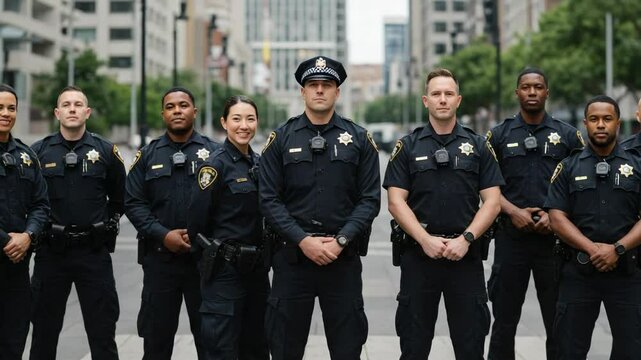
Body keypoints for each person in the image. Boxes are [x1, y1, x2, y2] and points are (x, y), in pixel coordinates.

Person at [259, 55, 380, 360]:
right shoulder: (281, 139)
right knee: (285, 348)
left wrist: (341, 241)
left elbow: (369, 199)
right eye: (313, 85)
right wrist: (303, 241)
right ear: (302, 91)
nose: (320, 91)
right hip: (292, 261)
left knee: (347, 348)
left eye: (327, 85)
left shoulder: (358, 138)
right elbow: (269, 199)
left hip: (342, 260)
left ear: (338, 92)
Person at [384, 68, 503, 359]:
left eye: (448, 94)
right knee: (414, 345)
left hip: (466, 258)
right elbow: (396, 201)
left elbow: (493, 201)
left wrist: (466, 239)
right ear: (425, 100)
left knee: (470, 344)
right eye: (436, 94)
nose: (442, 99)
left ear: (458, 100)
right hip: (419, 258)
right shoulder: (408, 146)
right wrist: (425, 239)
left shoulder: (477, 146)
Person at [486, 68, 584, 360]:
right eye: (526, 87)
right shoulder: (499, 135)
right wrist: (513, 211)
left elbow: (582, 185)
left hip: (554, 245)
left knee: (558, 322)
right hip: (510, 239)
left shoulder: (567, 136)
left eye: (538, 87)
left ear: (546, 92)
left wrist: (556, 218)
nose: (532, 92)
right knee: (504, 321)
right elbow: (485, 186)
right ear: (516, 93)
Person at [29, 86, 125, 360]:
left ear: (87, 112)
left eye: (78, 104)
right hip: (51, 253)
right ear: (57, 112)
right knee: (43, 333)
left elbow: (120, 197)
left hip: (93, 253)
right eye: (66, 104)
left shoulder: (106, 151)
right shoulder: (39, 153)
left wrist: (106, 224)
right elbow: (31, 199)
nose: (72, 109)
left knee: (102, 331)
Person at [126, 87, 219, 360]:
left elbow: (227, 205)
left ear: (194, 111)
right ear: (163, 113)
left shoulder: (215, 153)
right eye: (170, 106)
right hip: (160, 263)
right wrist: (163, 235)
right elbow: (133, 203)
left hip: (205, 264)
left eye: (183, 105)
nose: (177, 111)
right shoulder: (147, 156)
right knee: (156, 340)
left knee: (211, 340)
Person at [546, 95, 641, 359]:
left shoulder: (637, 165)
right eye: (595, 119)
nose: (601, 125)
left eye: (607, 119)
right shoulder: (568, 166)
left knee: (632, 350)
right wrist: (593, 249)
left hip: (627, 275)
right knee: (569, 350)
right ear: (585, 124)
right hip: (579, 274)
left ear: (618, 124)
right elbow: (556, 217)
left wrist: (618, 249)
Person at [188, 95, 269, 360]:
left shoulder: (260, 164)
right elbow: (196, 225)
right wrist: (214, 260)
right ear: (224, 123)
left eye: (250, 119)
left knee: (257, 345)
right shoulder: (213, 165)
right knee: (222, 348)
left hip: (256, 270)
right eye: (236, 119)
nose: (243, 125)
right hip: (225, 272)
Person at [0, 84, 49, 359]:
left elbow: (41, 204)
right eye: (0, 108)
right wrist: (9, 241)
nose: (6, 113)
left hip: (16, 268)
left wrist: (28, 235)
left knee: (15, 338)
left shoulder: (25, 156)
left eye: (11, 108)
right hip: (11, 250)